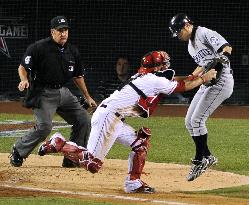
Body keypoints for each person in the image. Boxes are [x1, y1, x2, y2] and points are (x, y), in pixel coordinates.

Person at [37, 51, 217, 193]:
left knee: (140, 145)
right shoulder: (152, 80)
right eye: (162, 64)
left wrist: (198, 72)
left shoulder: (146, 77)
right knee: (92, 164)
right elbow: (183, 86)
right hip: (108, 117)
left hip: (116, 119)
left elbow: (175, 80)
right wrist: (204, 78)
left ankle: (133, 183)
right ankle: (59, 143)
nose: (165, 66)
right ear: (155, 67)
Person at [9, 16, 97, 168]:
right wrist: (24, 80)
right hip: (42, 93)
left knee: (83, 120)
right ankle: (19, 150)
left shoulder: (72, 51)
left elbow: (78, 76)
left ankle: (72, 156)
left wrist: (87, 96)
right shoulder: (39, 48)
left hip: (63, 92)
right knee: (44, 127)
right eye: (60, 30)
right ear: (52, 32)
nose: (63, 33)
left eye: (66, 30)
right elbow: (22, 67)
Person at [169, 13, 234, 181]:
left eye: (178, 32)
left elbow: (227, 47)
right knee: (189, 120)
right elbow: (203, 64)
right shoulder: (190, 46)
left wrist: (220, 63)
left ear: (186, 26)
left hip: (222, 82)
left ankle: (199, 160)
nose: (178, 36)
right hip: (207, 82)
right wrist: (192, 75)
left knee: (197, 120)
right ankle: (208, 156)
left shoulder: (204, 33)